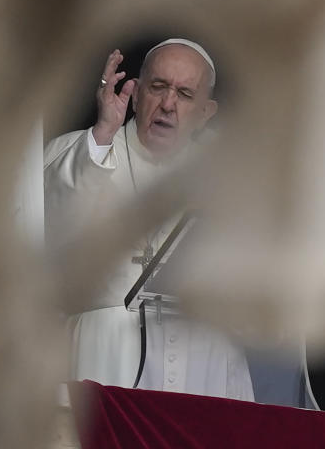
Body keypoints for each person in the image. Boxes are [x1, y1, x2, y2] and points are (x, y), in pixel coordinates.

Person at [43, 39, 256, 400]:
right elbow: (49, 224)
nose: (168, 104)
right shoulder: (80, 151)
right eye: (158, 87)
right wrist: (102, 135)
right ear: (137, 93)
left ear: (206, 112)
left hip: (201, 358)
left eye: (185, 94)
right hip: (104, 357)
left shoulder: (227, 178)